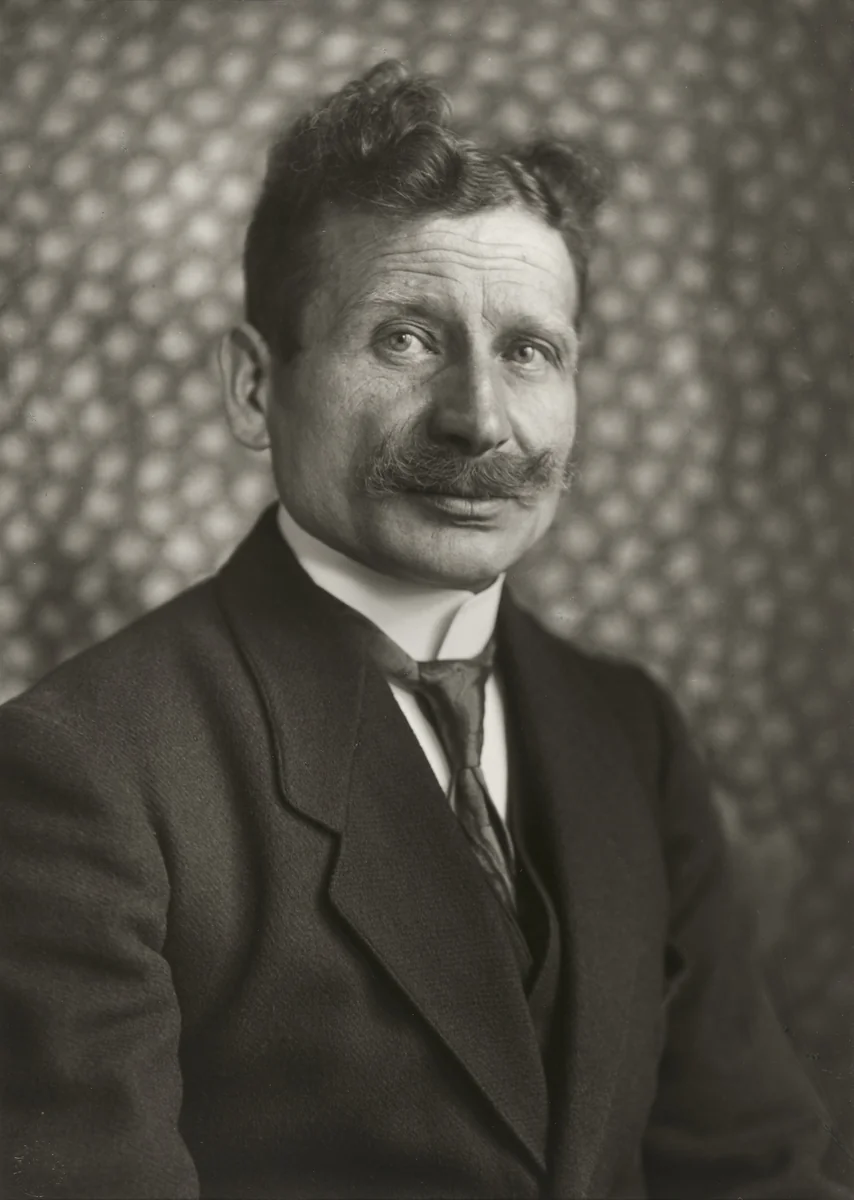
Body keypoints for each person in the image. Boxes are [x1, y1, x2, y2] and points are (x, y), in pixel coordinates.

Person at [0, 60, 847, 1200]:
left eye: (528, 352)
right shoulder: (81, 769)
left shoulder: (625, 734)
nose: (480, 418)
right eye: (404, 338)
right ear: (255, 388)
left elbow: (749, 1165)